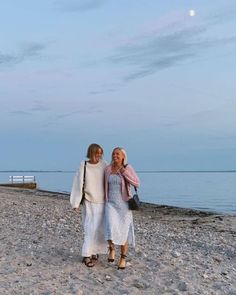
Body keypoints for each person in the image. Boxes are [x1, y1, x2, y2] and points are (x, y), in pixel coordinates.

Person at [70, 143, 107, 267]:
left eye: (100, 153)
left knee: (100, 230)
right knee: (89, 228)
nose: (99, 156)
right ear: (91, 153)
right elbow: (78, 183)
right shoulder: (84, 165)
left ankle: (95, 251)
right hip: (89, 201)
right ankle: (86, 255)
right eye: (97, 153)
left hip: (103, 202)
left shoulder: (104, 165)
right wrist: (75, 202)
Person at [104, 147, 140, 269]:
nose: (115, 155)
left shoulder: (128, 168)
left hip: (124, 205)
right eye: (113, 153)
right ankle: (112, 249)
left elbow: (137, 183)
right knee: (110, 228)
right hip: (110, 204)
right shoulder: (108, 169)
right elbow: (103, 185)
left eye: (117, 154)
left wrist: (123, 171)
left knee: (123, 232)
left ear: (123, 156)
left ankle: (123, 258)